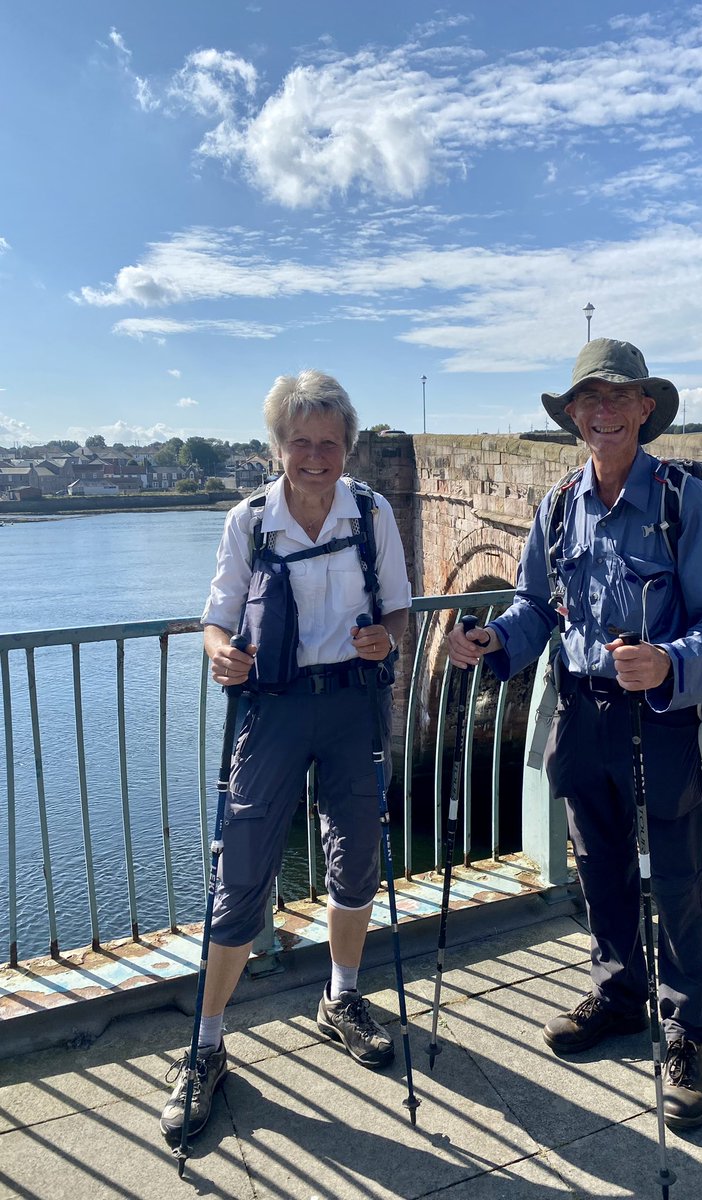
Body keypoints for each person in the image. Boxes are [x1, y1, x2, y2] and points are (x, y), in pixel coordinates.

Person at [447, 337, 702, 1131]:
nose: (603, 411)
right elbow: (535, 608)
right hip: (581, 715)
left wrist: (669, 661)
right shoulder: (555, 507)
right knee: (601, 870)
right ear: (574, 415)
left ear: (646, 410)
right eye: (590, 400)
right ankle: (619, 997)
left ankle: (686, 1034)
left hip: (661, 719)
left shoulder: (684, 503)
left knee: (677, 882)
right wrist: (493, 642)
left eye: (619, 397)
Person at [160, 369, 411, 1143]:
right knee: (240, 869)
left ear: (347, 449)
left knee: (357, 856)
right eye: (299, 442)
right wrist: (218, 655)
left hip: (348, 707)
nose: (314, 456)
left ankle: (339, 998)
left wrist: (385, 638)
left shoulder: (371, 514)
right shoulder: (248, 521)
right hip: (267, 712)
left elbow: (399, 608)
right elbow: (217, 616)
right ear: (277, 448)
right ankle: (205, 1047)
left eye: (328, 443)